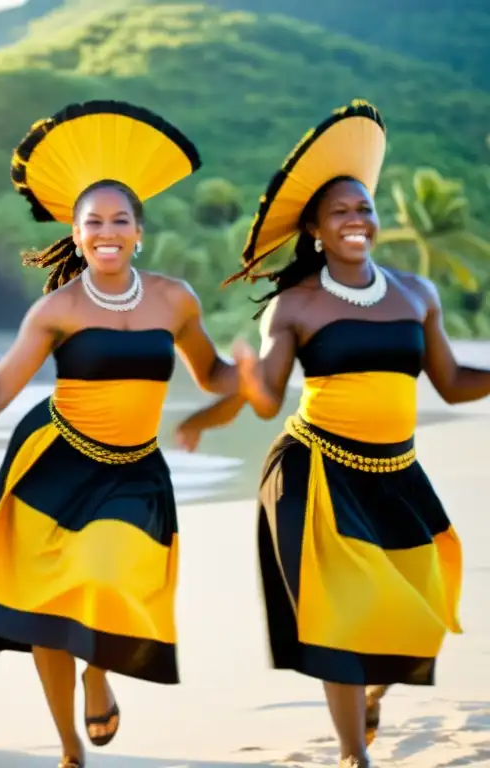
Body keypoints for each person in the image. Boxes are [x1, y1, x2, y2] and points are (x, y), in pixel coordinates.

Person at [0, 100, 265, 768]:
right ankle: (70, 746)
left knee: (106, 575)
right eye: (93, 222)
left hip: (133, 470)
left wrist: (242, 375)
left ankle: (97, 674)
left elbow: (212, 373)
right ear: (75, 236)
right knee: (46, 608)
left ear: (139, 232)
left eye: (120, 220)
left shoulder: (175, 299)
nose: (107, 232)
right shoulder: (58, 309)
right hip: (58, 461)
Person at [174, 100, 478, 768]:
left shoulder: (416, 292)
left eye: (364, 207)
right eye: (340, 211)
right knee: (339, 617)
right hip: (314, 471)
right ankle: (351, 755)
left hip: (396, 471)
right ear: (314, 227)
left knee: (423, 611)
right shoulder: (297, 304)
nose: (356, 220)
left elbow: (452, 381)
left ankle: (372, 694)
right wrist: (239, 387)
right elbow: (265, 398)